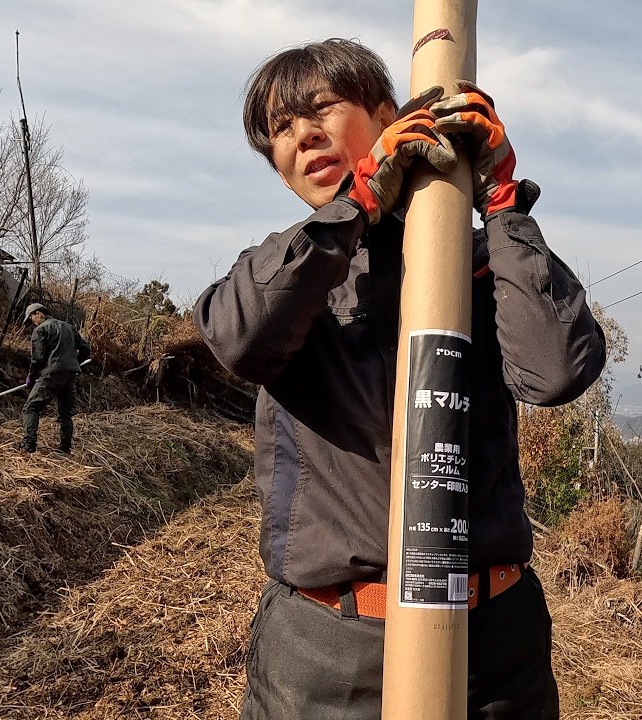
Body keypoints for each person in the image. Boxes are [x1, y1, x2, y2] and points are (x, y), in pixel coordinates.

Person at [194, 38, 606, 719]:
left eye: (322, 108)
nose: (303, 137)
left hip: (493, 649)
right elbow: (239, 340)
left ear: (389, 115)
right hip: (329, 652)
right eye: (280, 131)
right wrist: (354, 206)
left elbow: (556, 371)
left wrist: (502, 204)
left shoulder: (478, 263)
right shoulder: (288, 277)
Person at [21, 302, 91, 455]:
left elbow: (37, 358)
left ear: (39, 313)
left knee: (31, 407)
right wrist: (74, 363)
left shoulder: (40, 330)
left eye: (32, 318)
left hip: (52, 374)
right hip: (71, 374)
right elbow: (86, 349)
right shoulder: (69, 327)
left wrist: (31, 377)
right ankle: (65, 448)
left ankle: (28, 445)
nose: (32, 322)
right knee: (66, 413)